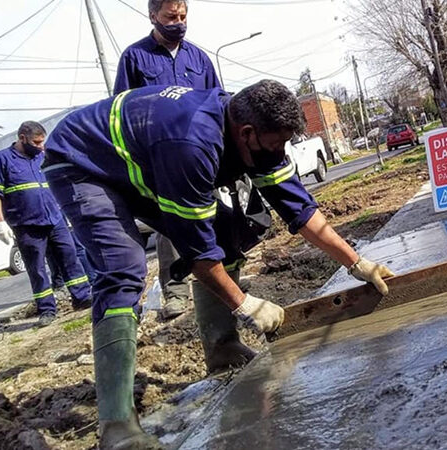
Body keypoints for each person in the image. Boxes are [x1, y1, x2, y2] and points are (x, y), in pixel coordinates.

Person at [43, 80, 394, 448]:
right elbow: (196, 253)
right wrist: (245, 304)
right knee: (123, 270)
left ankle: (222, 349)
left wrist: (358, 264)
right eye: (275, 144)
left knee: (228, 230)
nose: (281, 151)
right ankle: (116, 426)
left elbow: (300, 209)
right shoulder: (191, 143)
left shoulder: (253, 132)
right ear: (246, 134)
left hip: (146, 161)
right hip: (84, 163)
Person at [114, 0, 221, 320]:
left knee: (209, 219)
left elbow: (217, 101)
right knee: (170, 225)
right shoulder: (135, 58)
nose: (179, 22)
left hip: (200, 156)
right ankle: (175, 292)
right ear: (152, 16)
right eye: (170, 17)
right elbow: (122, 108)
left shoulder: (198, 58)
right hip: (158, 160)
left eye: (183, 16)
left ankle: (215, 289)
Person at [0, 122, 92, 326]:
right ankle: (47, 309)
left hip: (55, 218)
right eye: (36, 142)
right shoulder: (2, 159)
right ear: (22, 138)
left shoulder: (42, 157)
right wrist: (0, 222)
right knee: (37, 268)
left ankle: (81, 297)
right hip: (27, 225)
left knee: (70, 257)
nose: (41, 146)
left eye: (42, 142)